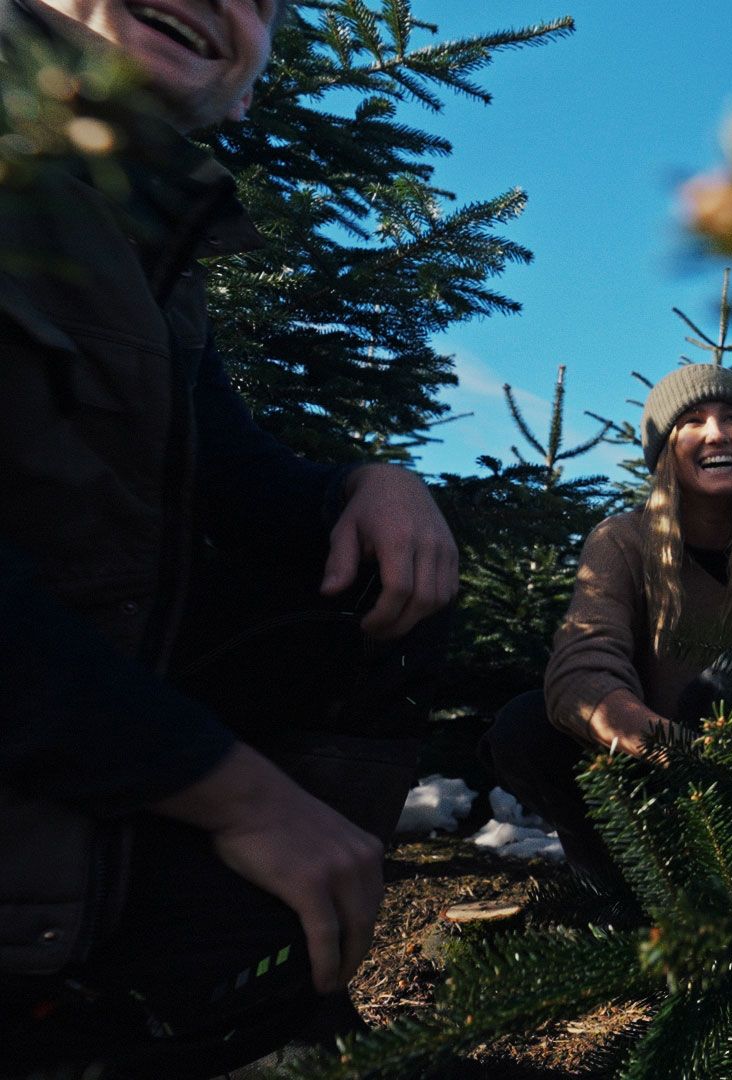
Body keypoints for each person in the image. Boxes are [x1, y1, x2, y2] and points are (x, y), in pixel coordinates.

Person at [0, 0, 459, 1074]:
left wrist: (371, 480)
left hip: (76, 726)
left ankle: (265, 986)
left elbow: (236, 478)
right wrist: (237, 793)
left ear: (248, 87)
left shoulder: (147, 237)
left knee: (371, 591)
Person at [483, 363, 732, 891]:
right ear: (665, 448)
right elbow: (580, 666)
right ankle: (619, 896)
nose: (716, 433)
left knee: (726, 683)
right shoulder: (622, 540)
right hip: (654, 774)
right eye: (692, 421)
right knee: (524, 725)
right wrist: (667, 748)